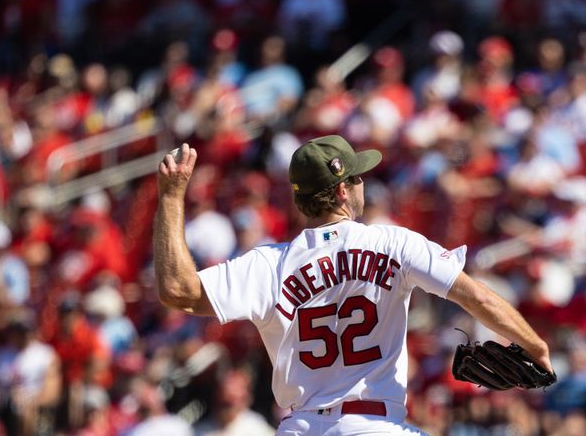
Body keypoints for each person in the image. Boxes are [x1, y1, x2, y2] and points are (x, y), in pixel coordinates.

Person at [153, 137, 553, 436]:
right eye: (357, 176)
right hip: (375, 424)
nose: (363, 183)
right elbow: (476, 296)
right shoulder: (392, 242)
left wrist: (171, 198)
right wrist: (536, 346)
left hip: (300, 426)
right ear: (343, 190)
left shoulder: (266, 264)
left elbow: (177, 290)